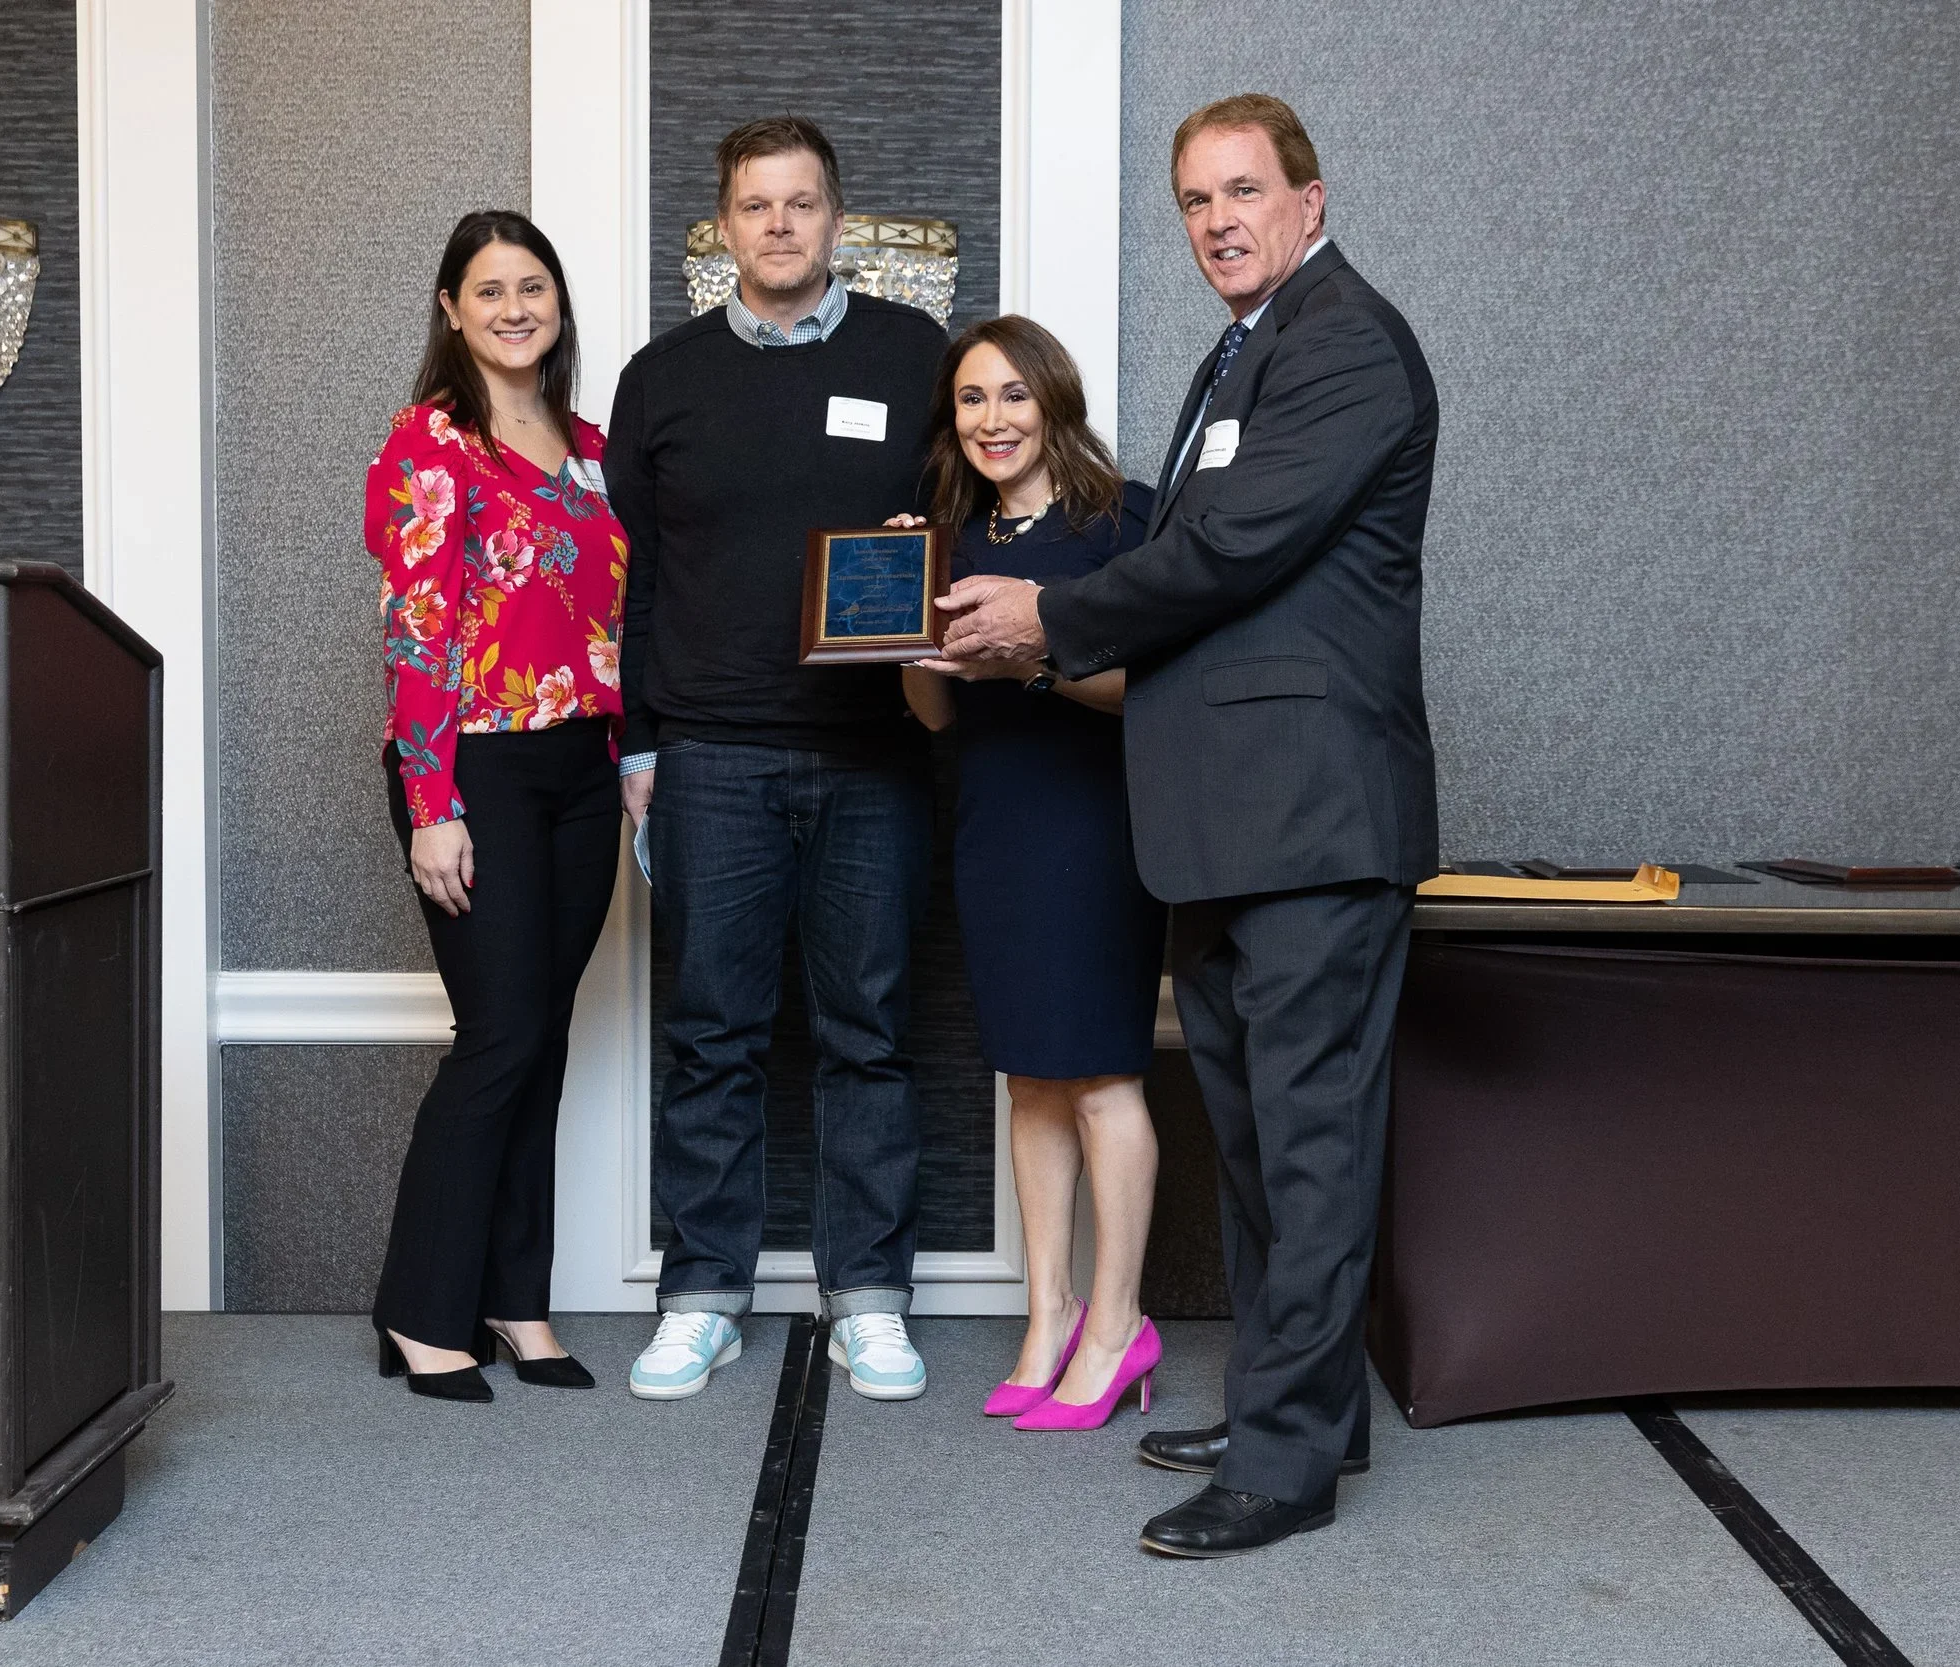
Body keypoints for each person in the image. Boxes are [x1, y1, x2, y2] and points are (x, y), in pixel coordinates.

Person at [938, 94, 1440, 1555]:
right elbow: (1197, 554)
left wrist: (1050, 618)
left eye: (1241, 191)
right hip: (1225, 823)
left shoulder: (1345, 342)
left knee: (1311, 1144)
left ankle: (1283, 1464)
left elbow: (1227, 547)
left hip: (1313, 819)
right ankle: (1308, 1404)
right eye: (1193, 201)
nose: (1218, 220)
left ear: (1308, 197)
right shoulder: (1249, 349)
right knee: (1259, 1136)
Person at [609, 116, 949, 1401]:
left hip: (875, 758)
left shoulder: (914, 356)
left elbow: (970, 530)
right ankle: (704, 1290)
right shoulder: (665, 375)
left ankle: (868, 1292)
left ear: (836, 218)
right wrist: (638, 746)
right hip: (710, 754)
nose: (780, 227)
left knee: (868, 1032)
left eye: (801, 205)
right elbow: (632, 584)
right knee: (714, 1036)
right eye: (755, 206)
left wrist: (935, 552)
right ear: (723, 225)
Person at [363, 211, 630, 1402]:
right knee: (502, 1034)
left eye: (534, 285)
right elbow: (418, 630)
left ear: (558, 305)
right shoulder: (433, 443)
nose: (515, 306)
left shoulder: (593, 447)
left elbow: (623, 616)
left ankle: (517, 1299)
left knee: (543, 1038)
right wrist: (433, 803)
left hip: (583, 770)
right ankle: (423, 1310)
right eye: (490, 289)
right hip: (475, 769)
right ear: (449, 309)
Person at [895, 318, 1165, 1431]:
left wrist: (1036, 660)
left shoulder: (1123, 521)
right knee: (1029, 1079)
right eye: (970, 400)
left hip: (1096, 819)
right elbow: (936, 711)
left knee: (1101, 1075)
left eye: (1012, 395)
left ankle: (1118, 1324)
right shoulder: (944, 538)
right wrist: (908, 641)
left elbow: (1151, 684)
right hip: (993, 818)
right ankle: (1045, 1314)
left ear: (1053, 399)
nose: (992, 420)